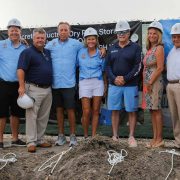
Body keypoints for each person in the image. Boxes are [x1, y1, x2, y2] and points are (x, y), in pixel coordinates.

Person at [46, 22, 106, 146]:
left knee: (71, 110)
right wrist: (24, 42)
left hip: (70, 83)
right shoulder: (51, 44)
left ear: (70, 31)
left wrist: (103, 49)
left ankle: (73, 136)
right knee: (59, 110)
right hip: (56, 83)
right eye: (61, 30)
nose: (63, 32)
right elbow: (39, 48)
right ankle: (61, 136)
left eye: (65, 30)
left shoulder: (76, 45)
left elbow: (93, 50)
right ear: (58, 31)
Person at [106, 20, 142, 147]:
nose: (121, 34)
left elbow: (137, 66)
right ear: (116, 34)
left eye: (124, 32)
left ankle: (131, 137)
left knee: (131, 111)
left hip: (130, 85)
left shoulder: (136, 48)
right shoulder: (111, 48)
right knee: (115, 110)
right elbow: (107, 67)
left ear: (129, 33)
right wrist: (114, 78)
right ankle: (115, 136)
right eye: (119, 32)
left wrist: (125, 78)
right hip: (114, 85)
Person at [17, 28, 52, 153]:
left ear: (45, 39)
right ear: (33, 38)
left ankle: (40, 139)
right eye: (38, 38)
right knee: (32, 116)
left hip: (47, 89)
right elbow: (21, 69)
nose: (40, 40)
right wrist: (21, 86)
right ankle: (31, 141)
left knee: (43, 116)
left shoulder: (47, 52)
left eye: (42, 38)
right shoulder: (27, 52)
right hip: (33, 88)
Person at [0, 18, 26, 149]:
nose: (14, 32)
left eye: (16, 30)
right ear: (7, 31)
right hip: (3, 84)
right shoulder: (1, 45)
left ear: (20, 31)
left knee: (16, 112)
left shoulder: (25, 47)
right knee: (1, 113)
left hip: (18, 85)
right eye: (12, 30)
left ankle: (15, 139)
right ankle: (0, 140)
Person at [77, 27, 107, 139]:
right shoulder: (80, 52)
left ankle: (93, 136)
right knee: (86, 111)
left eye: (93, 39)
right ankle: (85, 136)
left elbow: (103, 71)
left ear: (96, 40)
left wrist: (105, 86)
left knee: (95, 111)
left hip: (97, 83)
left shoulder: (101, 53)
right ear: (85, 40)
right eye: (89, 39)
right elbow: (76, 66)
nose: (91, 41)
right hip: (84, 82)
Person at [142, 21, 164, 148]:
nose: (152, 35)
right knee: (152, 110)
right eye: (150, 33)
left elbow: (160, 68)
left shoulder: (159, 48)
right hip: (148, 83)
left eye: (154, 33)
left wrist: (150, 82)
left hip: (154, 83)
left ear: (159, 35)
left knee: (156, 110)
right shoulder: (150, 49)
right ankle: (154, 138)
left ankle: (159, 139)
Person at [166, 23, 180, 149]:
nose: (175, 39)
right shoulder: (172, 51)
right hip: (170, 85)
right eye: (174, 37)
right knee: (174, 115)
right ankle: (178, 141)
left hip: (179, 85)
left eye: (178, 37)